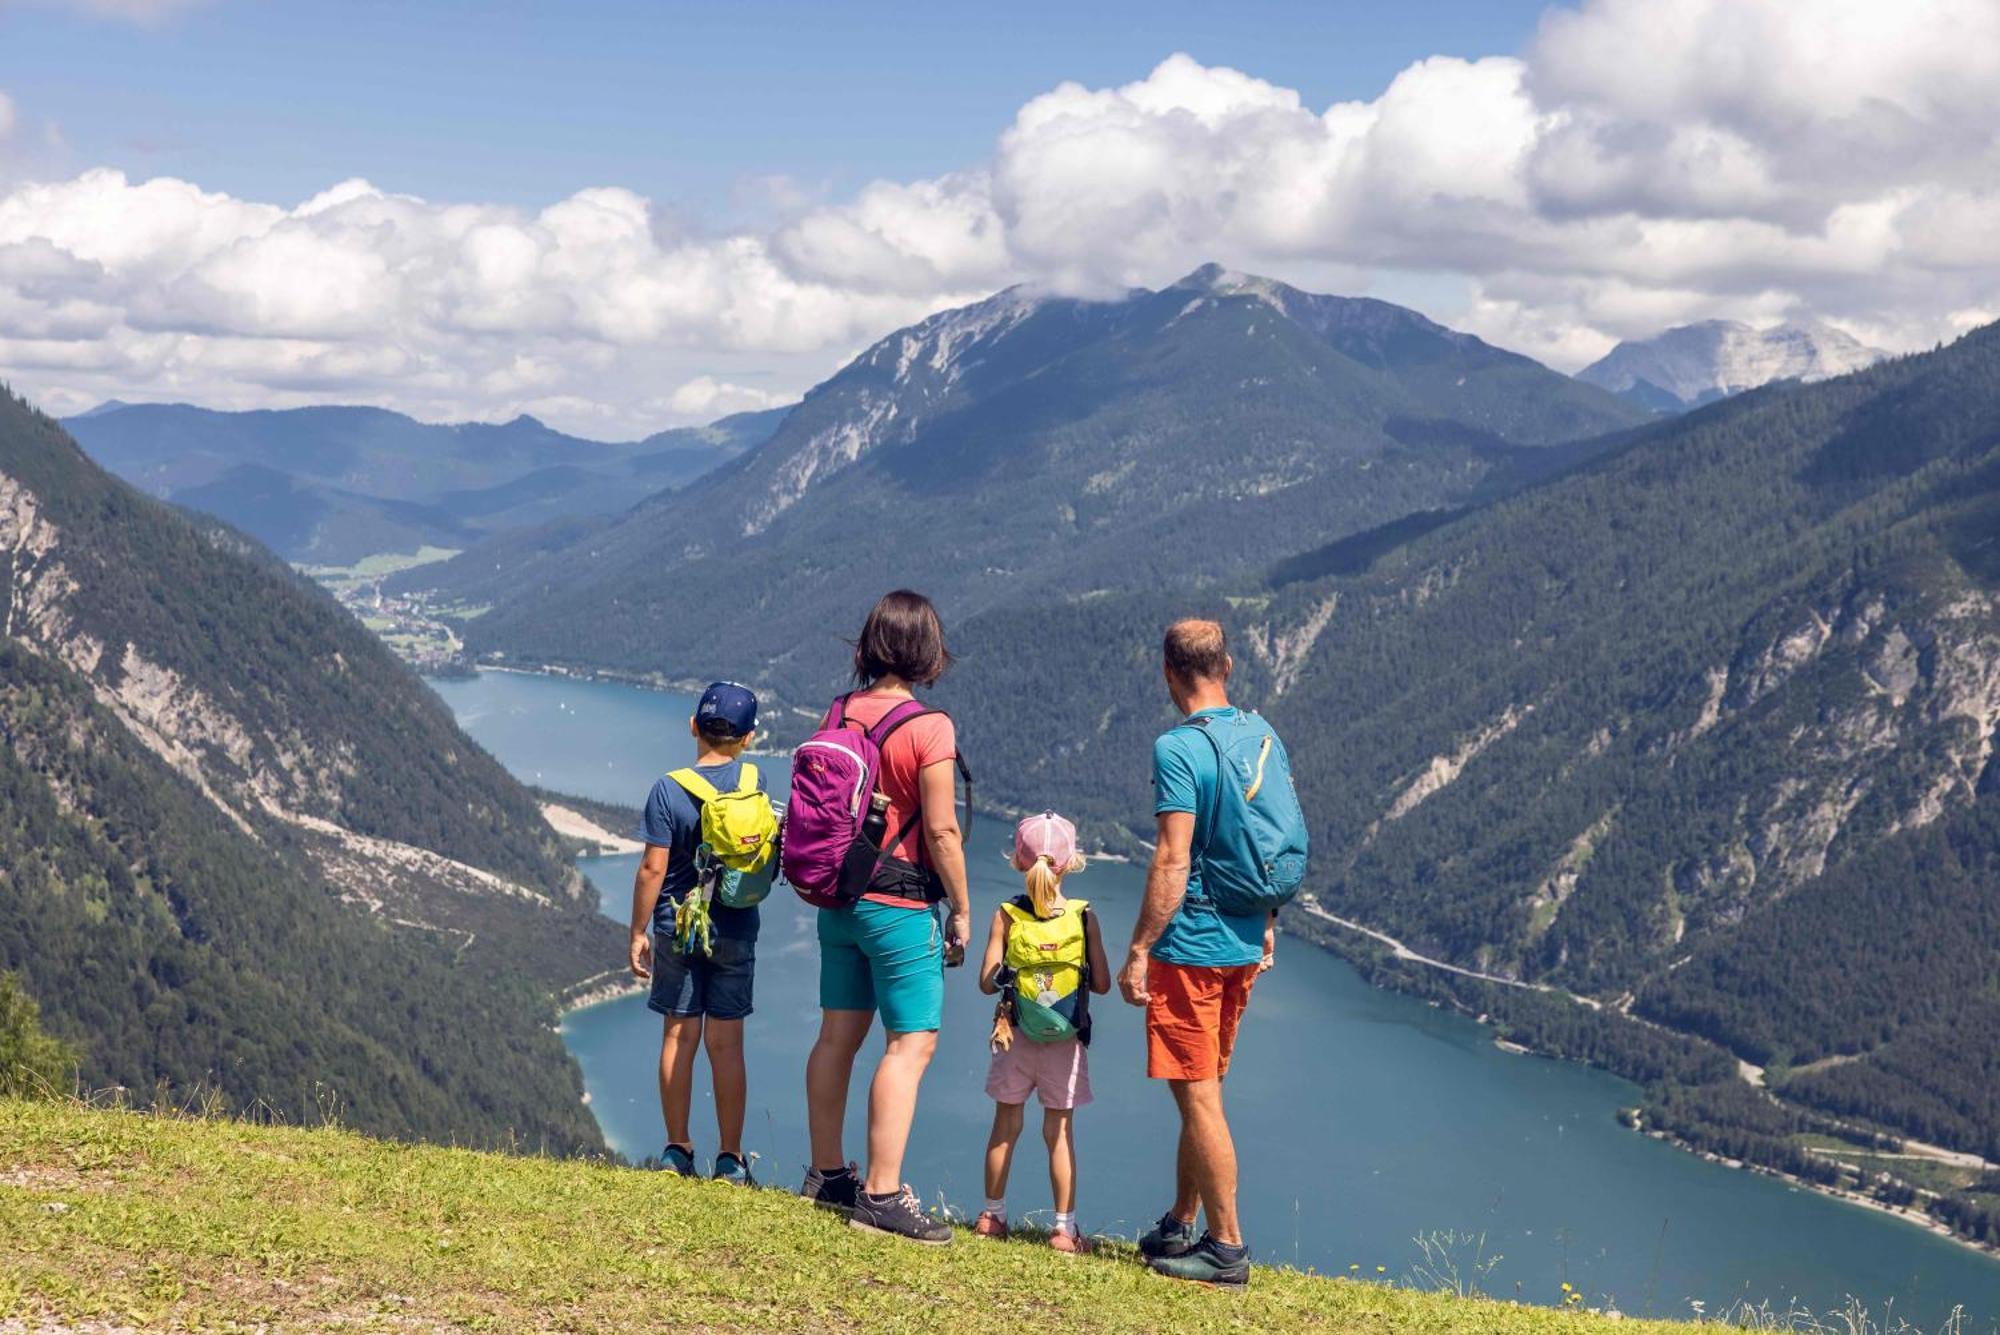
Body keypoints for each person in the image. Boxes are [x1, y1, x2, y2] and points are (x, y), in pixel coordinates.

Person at [799, 590, 974, 1244]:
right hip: (898, 907)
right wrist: (961, 906)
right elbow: (942, 830)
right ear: (928, 652)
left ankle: (826, 1175)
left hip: (838, 902)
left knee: (836, 1036)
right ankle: (882, 1192)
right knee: (910, 1042)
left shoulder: (839, 710)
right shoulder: (929, 727)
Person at [1117, 620, 1280, 1287]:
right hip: (1243, 938)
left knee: (1201, 1098)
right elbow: (1267, 836)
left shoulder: (1179, 748)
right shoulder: (1261, 734)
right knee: (1203, 1092)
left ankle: (1228, 1247)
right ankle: (1183, 1219)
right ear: (1229, 666)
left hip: (1192, 945)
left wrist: (1138, 947)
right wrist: (1267, 920)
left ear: (1167, 673)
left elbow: (1174, 856)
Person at [626, 681, 771, 1184]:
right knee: (727, 1046)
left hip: (678, 927)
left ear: (693, 726)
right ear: (748, 737)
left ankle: (677, 1151)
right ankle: (731, 1160)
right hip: (736, 925)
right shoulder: (756, 779)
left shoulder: (668, 788)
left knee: (678, 1037)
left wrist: (637, 931)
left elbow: (651, 868)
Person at [973, 811, 1109, 1254]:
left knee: (1005, 1126)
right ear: (1070, 864)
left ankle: (992, 1217)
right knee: (1060, 1133)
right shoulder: (1083, 916)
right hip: (1064, 1042)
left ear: (1017, 861)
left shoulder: (1007, 915)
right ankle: (1064, 1230)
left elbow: (986, 980)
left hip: (1014, 1036)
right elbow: (1103, 983)